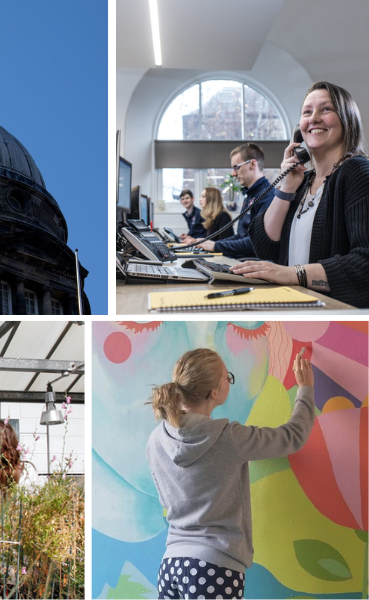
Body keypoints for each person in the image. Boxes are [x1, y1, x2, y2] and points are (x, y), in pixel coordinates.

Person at [145, 348, 315, 600]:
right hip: (213, 566)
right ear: (214, 392)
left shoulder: (156, 439)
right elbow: (292, 436)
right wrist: (305, 390)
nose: (229, 382)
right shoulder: (229, 438)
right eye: (228, 377)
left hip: (170, 564)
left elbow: (165, 500)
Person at [233, 81, 369, 307]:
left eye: (325, 109)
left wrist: (291, 273)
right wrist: (286, 187)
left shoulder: (357, 172)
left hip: (335, 316)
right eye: (307, 112)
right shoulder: (302, 181)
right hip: (295, 307)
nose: (313, 118)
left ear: (347, 120)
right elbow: (264, 245)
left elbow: (364, 264)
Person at [190, 144, 275, 256]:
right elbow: (241, 236)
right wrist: (210, 244)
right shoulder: (250, 196)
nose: (233, 174)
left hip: (255, 263)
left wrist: (216, 246)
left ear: (252, 164)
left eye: (236, 167)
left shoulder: (268, 196)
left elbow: (257, 243)